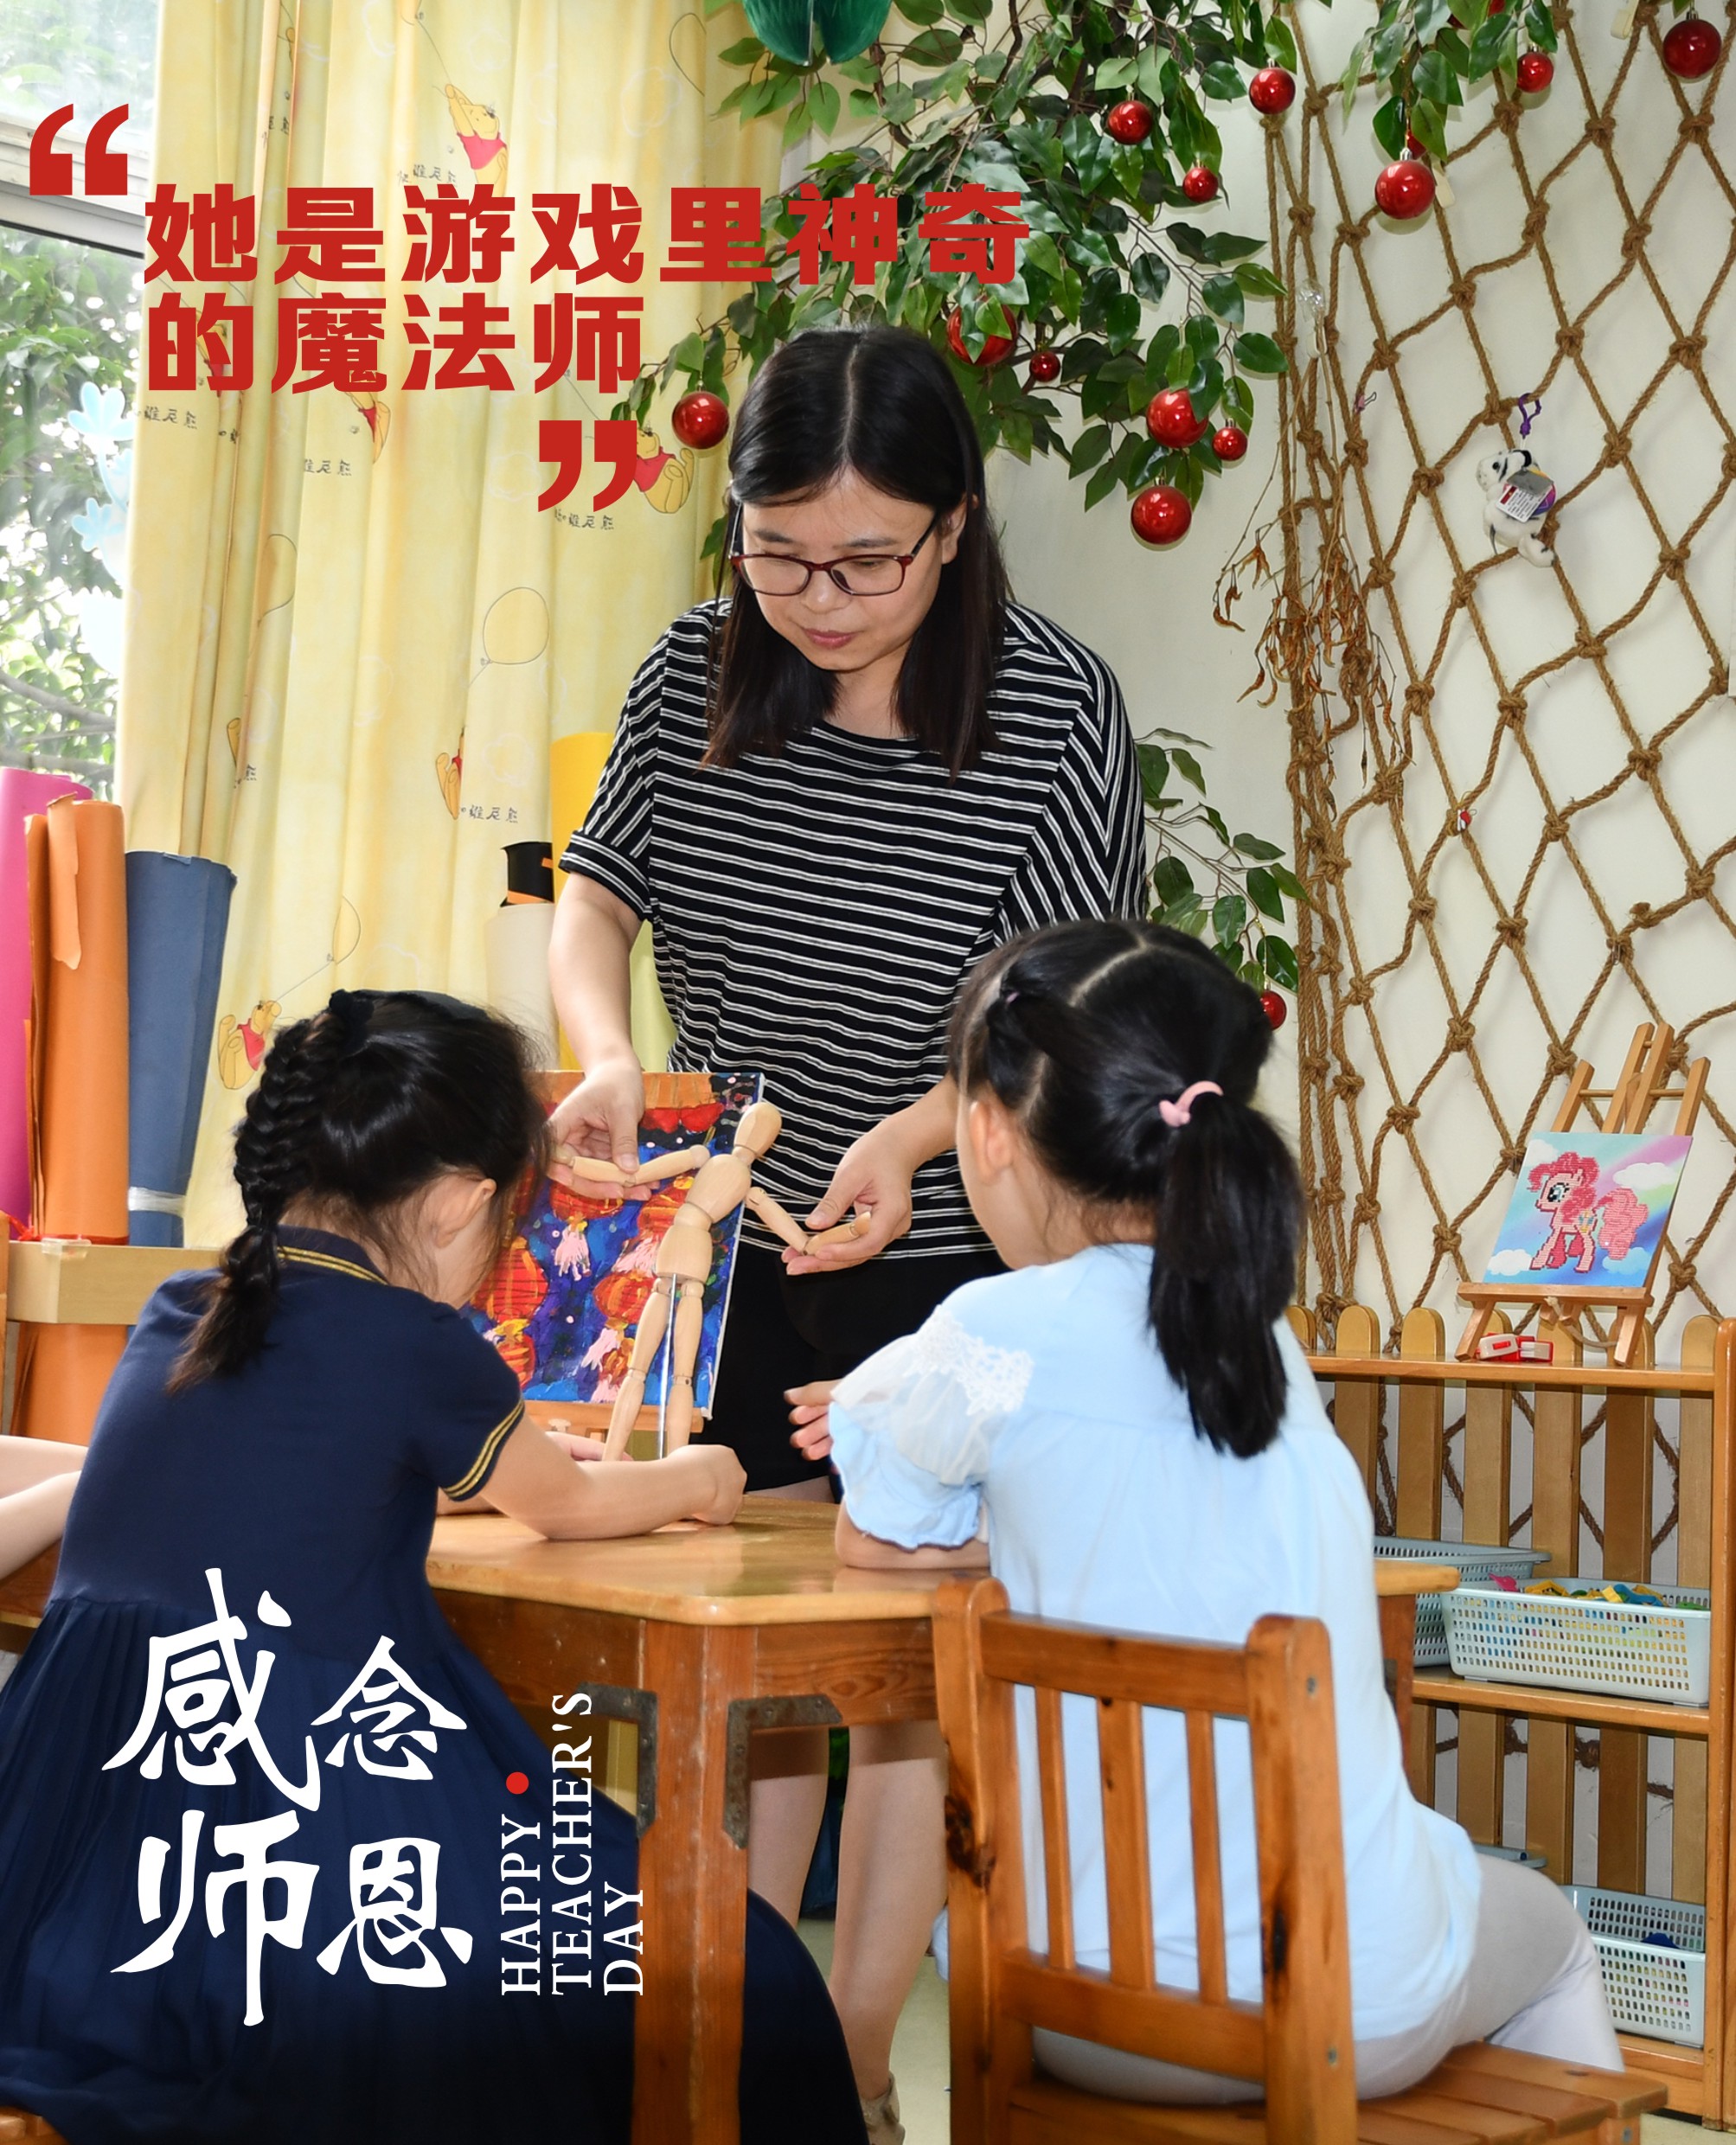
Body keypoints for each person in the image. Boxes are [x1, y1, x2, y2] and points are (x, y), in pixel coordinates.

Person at [548, 323, 1144, 2136]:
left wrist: (910, 1134)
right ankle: (737, 2044)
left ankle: (855, 2066)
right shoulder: (694, 671)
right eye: (777, 554)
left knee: (894, 1675)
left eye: (868, 560)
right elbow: (593, 898)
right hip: (722, 1242)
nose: (818, 599)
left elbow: (1054, 998)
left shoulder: (1053, 706)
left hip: (950, 1246)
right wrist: (607, 1060)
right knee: (734, 1665)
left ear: (955, 530)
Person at [0, 989, 863, 2145]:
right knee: (731, 1967)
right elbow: (569, 1509)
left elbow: (296, 1467)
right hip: (315, 1815)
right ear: (461, 1201)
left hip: (95, 1847)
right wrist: (701, 1478)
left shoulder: (183, 1309)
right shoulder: (414, 1342)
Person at [809, 919, 1622, 2103]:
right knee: (1552, 1928)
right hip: (1343, 2001)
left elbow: (874, 1538)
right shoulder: (1260, 1347)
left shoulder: (988, 1339)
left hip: (1062, 1998)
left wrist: (1002, 1540)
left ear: (987, 1133)